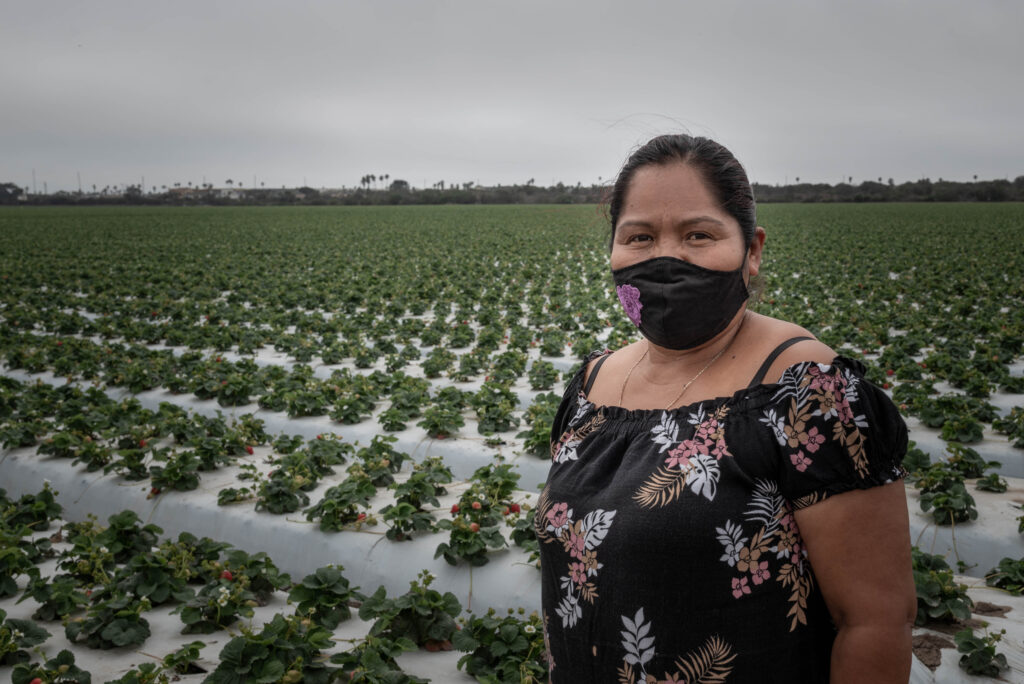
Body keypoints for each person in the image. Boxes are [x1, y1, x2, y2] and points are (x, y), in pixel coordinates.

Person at [535, 134, 915, 683]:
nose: (666, 257)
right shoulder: (593, 383)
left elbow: (875, 622)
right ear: (613, 251)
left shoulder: (806, 390)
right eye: (639, 236)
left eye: (698, 234)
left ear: (752, 250)